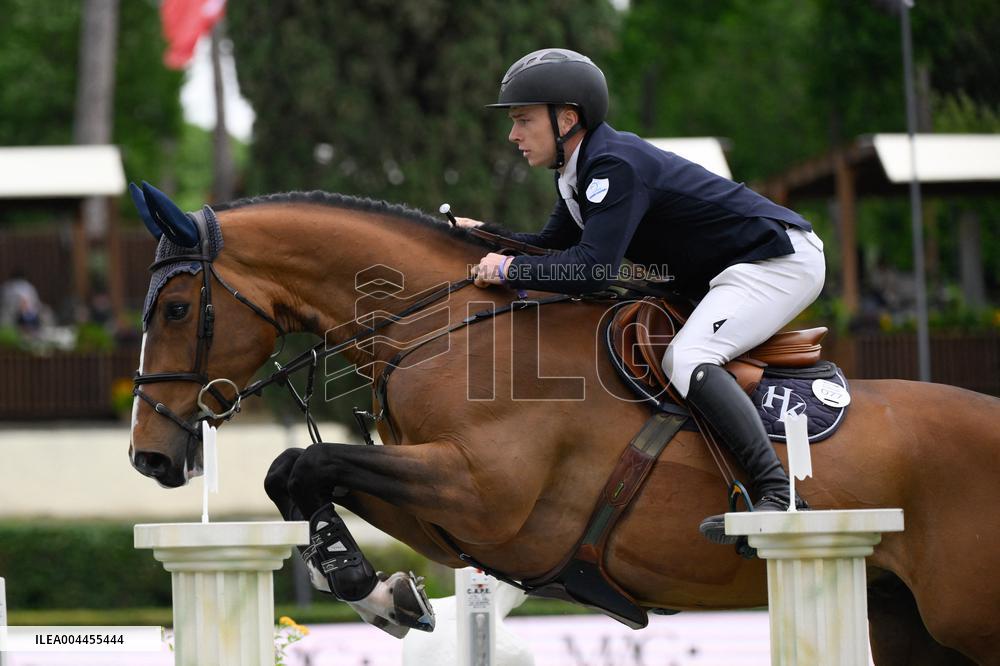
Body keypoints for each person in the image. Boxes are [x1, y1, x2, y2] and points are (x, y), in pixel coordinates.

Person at [461, 48, 826, 545]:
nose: (513, 135)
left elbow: (592, 269)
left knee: (690, 356)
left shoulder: (613, 166)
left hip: (776, 261)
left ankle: (779, 494)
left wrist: (509, 266)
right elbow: (551, 246)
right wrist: (482, 236)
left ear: (566, 119)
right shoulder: (578, 171)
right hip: (733, 268)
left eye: (523, 121)